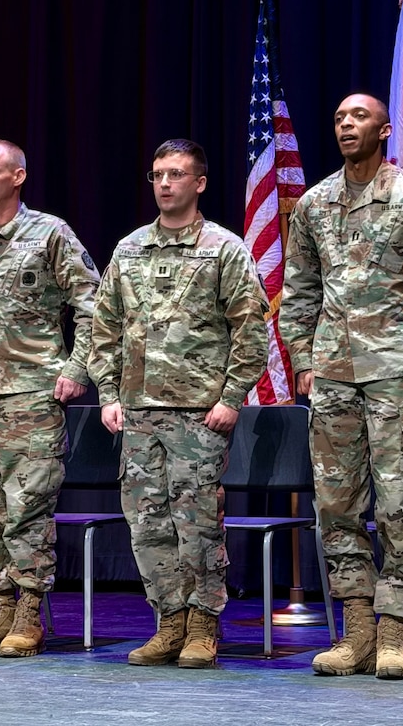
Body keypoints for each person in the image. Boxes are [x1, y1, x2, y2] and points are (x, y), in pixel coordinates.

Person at [279, 93, 403, 680]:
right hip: (332, 373)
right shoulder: (314, 203)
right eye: (337, 118)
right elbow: (300, 288)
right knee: (335, 505)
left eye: (358, 117)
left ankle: (394, 632)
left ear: (384, 130)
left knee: (397, 504)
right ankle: (355, 630)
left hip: (396, 373)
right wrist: (303, 359)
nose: (346, 125)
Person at [88, 138, 269, 669]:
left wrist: (232, 397)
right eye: (157, 175)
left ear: (199, 183)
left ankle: (202, 625)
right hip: (139, 411)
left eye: (175, 174)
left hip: (198, 413)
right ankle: (168, 622)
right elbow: (104, 330)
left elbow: (250, 331)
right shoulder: (129, 249)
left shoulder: (223, 249)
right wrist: (108, 393)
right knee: (147, 524)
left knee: (196, 523)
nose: (164, 184)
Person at [0, 139, 100, 657]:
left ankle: (29, 613)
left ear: (18, 177)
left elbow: (92, 306)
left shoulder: (48, 233)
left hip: (32, 393)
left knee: (27, 506)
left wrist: (76, 369)